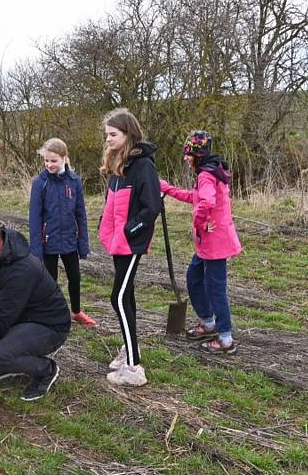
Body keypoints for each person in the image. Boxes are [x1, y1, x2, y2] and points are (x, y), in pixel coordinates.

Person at [160, 131, 242, 354]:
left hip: (214, 243)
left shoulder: (206, 175)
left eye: (189, 154)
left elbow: (205, 202)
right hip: (210, 243)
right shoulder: (210, 171)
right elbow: (195, 197)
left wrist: (200, 224)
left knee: (215, 289)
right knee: (194, 279)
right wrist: (167, 188)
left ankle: (225, 338)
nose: (186, 158)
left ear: (198, 155)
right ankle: (209, 323)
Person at [0, 217, 70, 402]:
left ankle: (45, 369)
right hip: (22, 318)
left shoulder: (21, 271)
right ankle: (10, 364)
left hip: (49, 326)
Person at [98, 108, 161, 387]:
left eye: (113, 134)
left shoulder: (143, 166)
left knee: (119, 298)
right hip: (117, 242)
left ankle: (134, 368)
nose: (108, 139)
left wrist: (129, 231)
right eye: (107, 134)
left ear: (128, 134)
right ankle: (129, 347)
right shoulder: (119, 163)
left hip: (131, 241)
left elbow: (151, 208)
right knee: (128, 297)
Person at [29, 138, 96, 327]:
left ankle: (76, 311)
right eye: (46, 161)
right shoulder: (39, 183)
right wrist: (36, 250)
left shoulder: (74, 181)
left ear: (64, 158)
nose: (49, 164)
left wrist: (83, 244)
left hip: (69, 240)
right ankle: (52, 314)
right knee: (50, 281)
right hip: (47, 242)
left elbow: (80, 214)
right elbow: (34, 218)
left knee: (75, 277)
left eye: (54, 161)